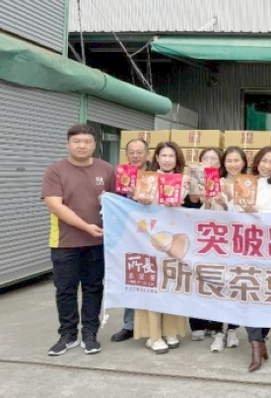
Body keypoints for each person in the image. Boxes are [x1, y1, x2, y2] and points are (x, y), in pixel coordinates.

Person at [41, 124, 115, 356]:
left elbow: (115, 202)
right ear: (68, 144)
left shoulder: (106, 169)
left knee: (94, 288)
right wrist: (85, 227)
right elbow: (55, 205)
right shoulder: (55, 170)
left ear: (95, 145)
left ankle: (90, 333)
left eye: (87, 141)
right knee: (65, 289)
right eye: (77, 141)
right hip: (65, 242)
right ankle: (68, 335)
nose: (82, 145)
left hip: (98, 242)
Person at [132, 141, 188, 354]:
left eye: (171, 156)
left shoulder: (184, 180)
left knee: (172, 282)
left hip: (173, 240)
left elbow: (190, 205)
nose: (167, 160)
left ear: (177, 159)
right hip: (148, 238)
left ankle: (171, 330)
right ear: (156, 158)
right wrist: (141, 198)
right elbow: (137, 206)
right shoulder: (146, 179)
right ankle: (153, 335)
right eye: (163, 155)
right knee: (152, 285)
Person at [237, 146, 271, 372]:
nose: (266, 166)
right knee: (248, 294)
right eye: (263, 161)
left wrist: (255, 211)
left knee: (267, 296)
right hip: (245, 244)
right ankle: (256, 345)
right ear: (256, 162)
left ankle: (261, 340)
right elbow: (235, 211)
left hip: (269, 246)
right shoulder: (245, 182)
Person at [185, 148, 241, 352]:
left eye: (214, 158)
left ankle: (232, 329)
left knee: (233, 284)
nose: (209, 161)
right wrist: (204, 201)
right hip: (210, 240)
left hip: (234, 240)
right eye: (205, 158)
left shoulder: (231, 182)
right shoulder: (198, 182)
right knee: (213, 282)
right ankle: (216, 330)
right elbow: (194, 211)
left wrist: (225, 201)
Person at [111, 138, 150, 343]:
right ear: (126, 155)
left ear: (147, 154)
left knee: (153, 281)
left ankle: (154, 326)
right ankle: (129, 325)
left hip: (153, 236)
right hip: (128, 236)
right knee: (132, 279)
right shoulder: (121, 176)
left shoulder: (155, 175)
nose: (135, 156)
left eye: (139, 152)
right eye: (131, 152)